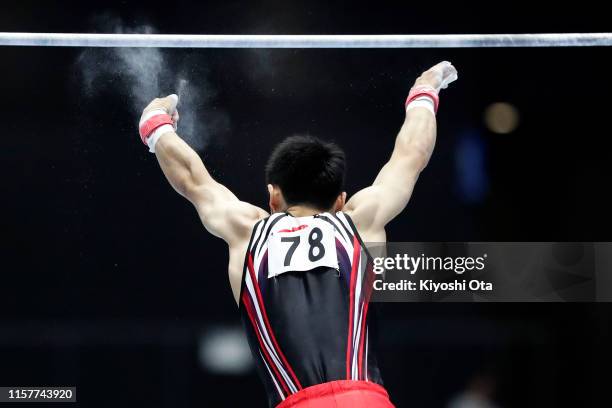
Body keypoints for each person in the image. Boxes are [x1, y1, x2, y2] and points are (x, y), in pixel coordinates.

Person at [138, 61, 458, 408]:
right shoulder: (360, 222)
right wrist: (425, 91)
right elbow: (411, 155)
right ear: (341, 200)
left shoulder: (247, 230)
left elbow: (192, 180)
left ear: (273, 195)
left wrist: (157, 124)